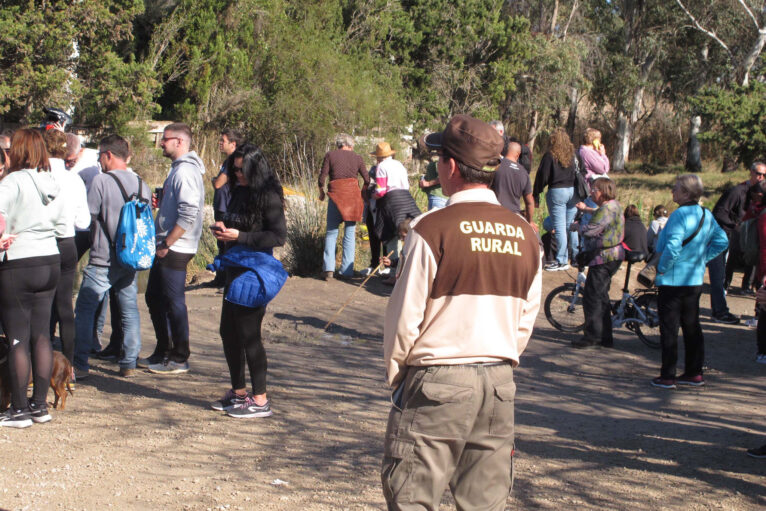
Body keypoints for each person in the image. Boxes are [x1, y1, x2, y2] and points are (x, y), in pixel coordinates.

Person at [382, 115, 542, 510]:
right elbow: (526, 316)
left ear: (450, 167)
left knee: (412, 495)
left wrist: (400, 380)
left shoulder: (430, 229)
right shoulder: (526, 233)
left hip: (437, 377)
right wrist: (501, 356)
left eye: (438, 158)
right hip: (499, 379)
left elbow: (404, 319)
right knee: (485, 502)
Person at [209, 144, 286, 418]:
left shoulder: (268, 196)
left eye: (242, 170)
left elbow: (278, 237)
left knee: (249, 335)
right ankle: (238, 392)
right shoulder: (238, 192)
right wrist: (222, 230)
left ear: (256, 169)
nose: (237, 174)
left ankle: (260, 400)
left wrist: (238, 237)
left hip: (255, 272)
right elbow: (235, 224)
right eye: (234, 169)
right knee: (228, 332)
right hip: (234, 267)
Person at [0, 129, 64, 428]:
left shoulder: (13, 181)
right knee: (42, 336)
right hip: (50, 259)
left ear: (19, 151)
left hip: (19, 261)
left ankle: (19, 410)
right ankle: (40, 406)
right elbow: (64, 226)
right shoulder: (51, 181)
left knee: (17, 339)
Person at [72, 135, 151, 379]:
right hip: (130, 259)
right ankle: (128, 362)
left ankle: (80, 364)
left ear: (108, 155)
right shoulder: (142, 184)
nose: (99, 162)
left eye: (100, 157)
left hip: (102, 259)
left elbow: (88, 218)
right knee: (129, 310)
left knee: (85, 310)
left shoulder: (101, 181)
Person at [651, 174, 728, 389]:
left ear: (686, 193)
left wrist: (662, 269)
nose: (672, 191)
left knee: (669, 328)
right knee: (692, 327)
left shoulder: (678, 215)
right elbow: (722, 241)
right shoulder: (706, 214)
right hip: (694, 279)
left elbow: (673, 247)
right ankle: (694, 372)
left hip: (673, 281)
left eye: (676, 188)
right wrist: (703, 258)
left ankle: (668, 375)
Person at [141, 123, 205, 375]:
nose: (161, 144)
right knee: (155, 298)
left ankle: (179, 357)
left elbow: (189, 212)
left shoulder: (184, 172)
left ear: (179, 142)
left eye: (165, 139)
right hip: (169, 244)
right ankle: (163, 351)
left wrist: (167, 242)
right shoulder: (178, 171)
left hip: (176, 246)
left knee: (173, 302)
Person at [43, 130, 89, 368]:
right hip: (66, 243)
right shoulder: (75, 180)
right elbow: (84, 223)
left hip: (41, 244)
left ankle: (39, 360)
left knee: (39, 304)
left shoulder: (36, 177)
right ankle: (69, 364)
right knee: (63, 305)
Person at [707, 162, 766, 323]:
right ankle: (719, 311)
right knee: (718, 276)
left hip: (740, 240)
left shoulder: (760, 194)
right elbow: (718, 212)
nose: (761, 177)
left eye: (764, 175)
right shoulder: (737, 191)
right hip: (720, 237)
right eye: (758, 173)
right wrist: (736, 226)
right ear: (751, 173)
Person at [572, 178, 625, 348]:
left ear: (602, 191)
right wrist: (585, 209)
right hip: (614, 256)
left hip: (604, 257)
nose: (591, 192)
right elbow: (598, 212)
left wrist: (577, 227)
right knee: (602, 297)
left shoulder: (606, 209)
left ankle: (592, 337)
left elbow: (591, 230)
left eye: (594, 189)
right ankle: (605, 337)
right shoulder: (614, 205)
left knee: (592, 297)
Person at [318, 133, 368, 280]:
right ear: (350, 145)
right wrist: (362, 193)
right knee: (349, 233)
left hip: (335, 195)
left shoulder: (330, 155)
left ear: (340, 144)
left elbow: (322, 178)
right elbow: (367, 179)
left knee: (331, 232)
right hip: (352, 197)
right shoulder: (357, 158)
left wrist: (321, 192)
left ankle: (328, 269)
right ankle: (347, 271)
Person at [533, 127, 580, 271]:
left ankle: (561, 260)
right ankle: (575, 257)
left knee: (559, 228)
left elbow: (542, 176)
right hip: (573, 191)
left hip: (557, 192)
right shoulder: (573, 155)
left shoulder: (550, 155)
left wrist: (536, 194)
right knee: (569, 226)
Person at [210, 129, 245, 287]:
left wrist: (213, 180)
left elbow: (218, 183)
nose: (220, 143)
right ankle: (221, 278)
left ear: (233, 143)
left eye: (223, 140)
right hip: (226, 206)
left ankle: (225, 280)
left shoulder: (232, 161)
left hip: (226, 207)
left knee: (225, 242)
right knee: (223, 243)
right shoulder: (233, 160)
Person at [491, 139, 535, 227]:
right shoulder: (524, 173)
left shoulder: (496, 165)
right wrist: (529, 222)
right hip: (514, 217)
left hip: (495, 213)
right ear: (518, 155)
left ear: (506, 151)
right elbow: (530, 202)